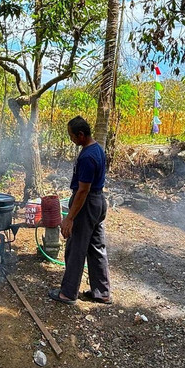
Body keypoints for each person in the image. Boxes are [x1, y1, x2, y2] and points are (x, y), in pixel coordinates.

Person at [48, 116, 111, 305]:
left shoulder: (87, 157)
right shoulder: (97, 149)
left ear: (81, 135)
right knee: (96, 247)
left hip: (87, 203)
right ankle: (102, 292)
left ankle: (68, 293)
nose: (71, 139)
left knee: (76, 248)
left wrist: (69, 219)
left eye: (72, 136)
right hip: (98, 201)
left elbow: (83, 190)